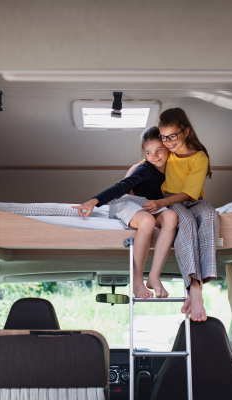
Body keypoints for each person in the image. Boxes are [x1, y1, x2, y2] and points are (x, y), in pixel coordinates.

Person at [72, 127, 178, 299]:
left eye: (159, 150)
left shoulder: (175, 169)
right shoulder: (144, 169)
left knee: (171, 216)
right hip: (126, 202)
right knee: (147, 222)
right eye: (149, 152)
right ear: (144, 154)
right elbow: (121, 187)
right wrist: (94, 202)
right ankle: (138, 282)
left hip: (149, 205)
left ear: (167, 147)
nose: (155, 156)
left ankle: (154, 277)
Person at [139, 108, 219, 321]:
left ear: (186, 132)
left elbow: (192, 193)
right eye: (164, 137)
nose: (168, 141)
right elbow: (146, 161)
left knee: (210, 215)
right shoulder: (166, 151)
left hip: (190, 199)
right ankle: (194, 288)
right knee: (185, 221)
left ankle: (197, 287)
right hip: (172, 202)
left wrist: (161, 202)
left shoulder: (199, 157)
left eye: (172, 136)